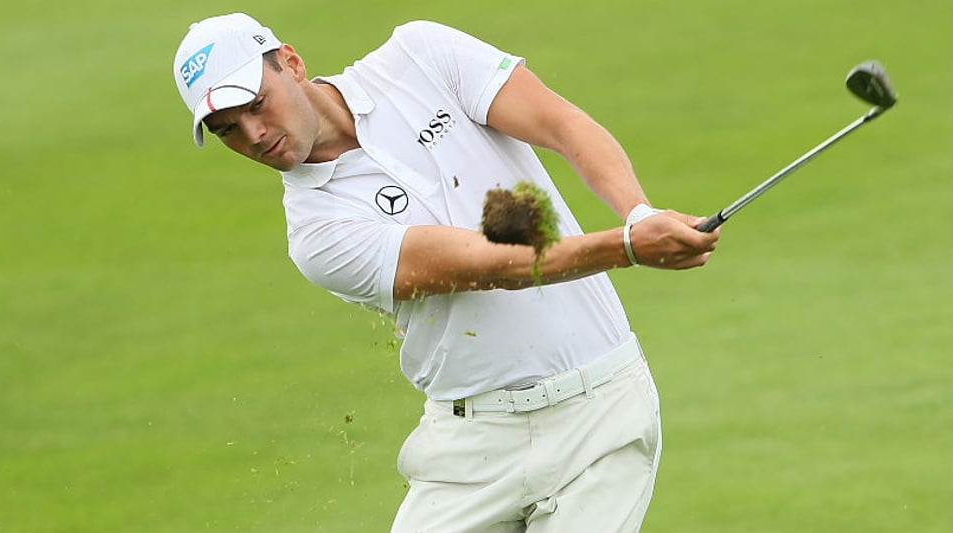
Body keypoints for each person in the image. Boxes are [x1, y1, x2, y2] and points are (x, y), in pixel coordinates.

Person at [172, 12, 720, 533]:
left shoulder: (419, 54)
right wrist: (626, 246)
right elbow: (494, 264)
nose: (252, 134)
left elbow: (561, 124)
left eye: (255, 104)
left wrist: (639, 213)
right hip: (469, 448)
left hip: (602, 410)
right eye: (226, 130)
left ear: (289, 62)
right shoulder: (317, 232)